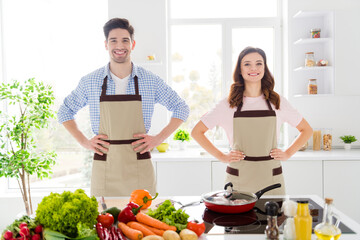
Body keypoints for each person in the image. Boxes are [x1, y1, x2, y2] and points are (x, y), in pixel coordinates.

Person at [57, 18, 189, 197]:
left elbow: (181, 108)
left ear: (132, 44)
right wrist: (84, 142)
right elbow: (65, 111)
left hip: (139, 164)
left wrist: (158, 139)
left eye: (125, 40)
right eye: (114, 40)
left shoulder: (150, 80)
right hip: (105, 165)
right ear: (106, 45)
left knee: (143, 220)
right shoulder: (90, 81)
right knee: (105, 221)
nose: (120, 46)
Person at [191, 46, 312, 195]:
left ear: (264, 68)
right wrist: (222, 156)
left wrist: (287, 153)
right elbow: (197, 132)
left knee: (272, 219)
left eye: (259, 63)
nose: (253, 68)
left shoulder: (276, 101)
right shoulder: (228, 104)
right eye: (247, 64)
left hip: (271, 179)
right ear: (240, 70)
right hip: (239, 178)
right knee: (238, 219)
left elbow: (306, 130)